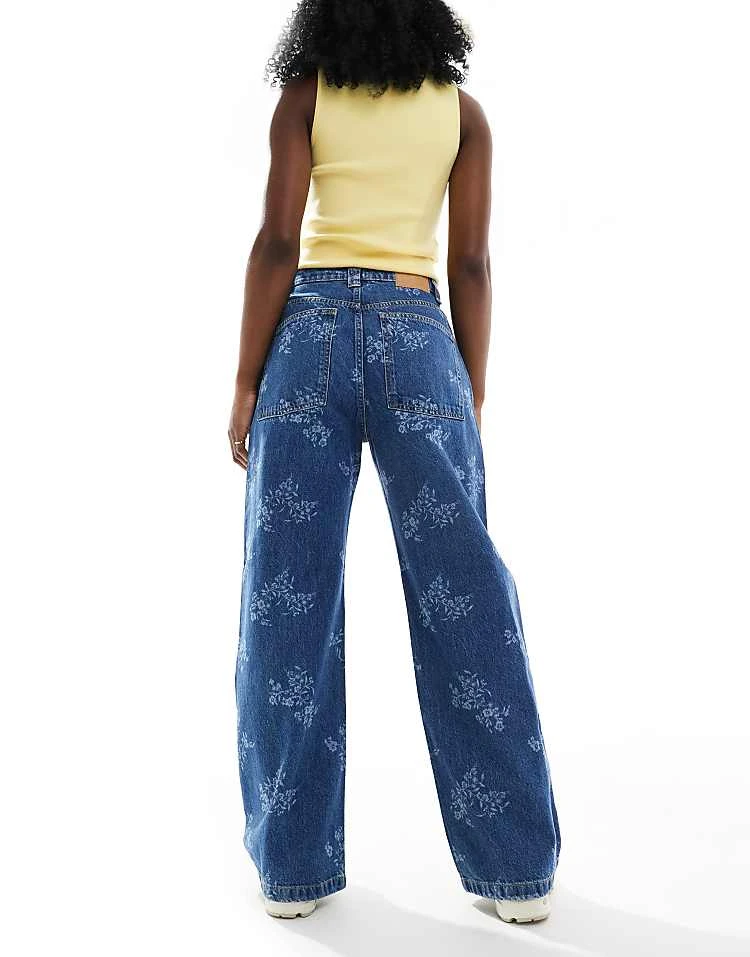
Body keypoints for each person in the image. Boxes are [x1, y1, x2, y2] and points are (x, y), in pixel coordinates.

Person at [228, 0, 561, 923]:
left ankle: (291, 872)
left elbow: (277, 243)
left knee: (287, 597)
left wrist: (246, 380)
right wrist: (471, 389)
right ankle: (518, 874)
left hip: (308, 338)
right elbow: (472, 265)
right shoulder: (463, 114)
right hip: (421, 340)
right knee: (467, 594)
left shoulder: (307, 96)